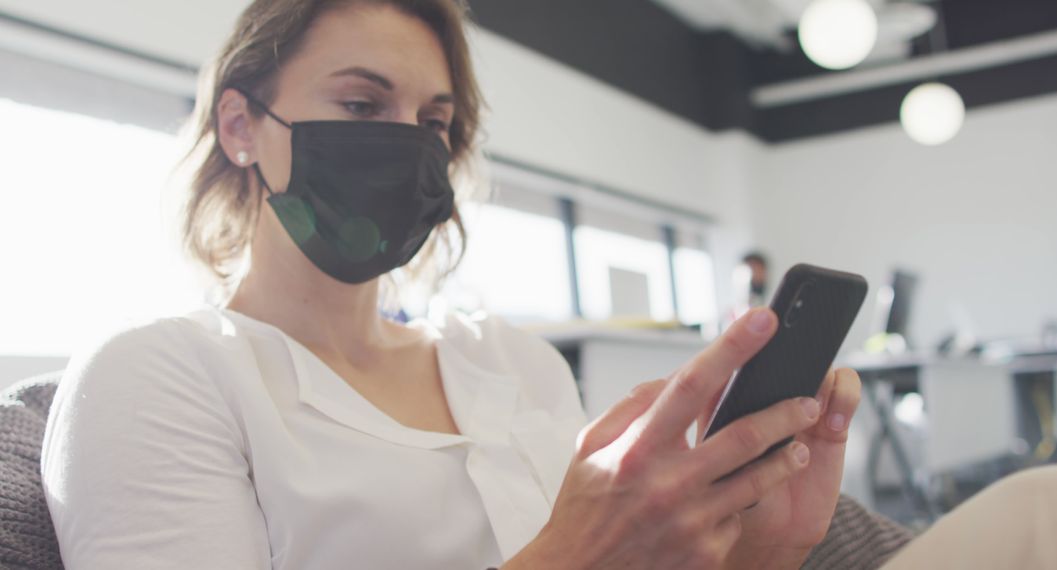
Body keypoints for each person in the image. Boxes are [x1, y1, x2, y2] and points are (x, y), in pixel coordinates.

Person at [39, 1, 892, 568]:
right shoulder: (155, 375)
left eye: (435, 122)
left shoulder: (512, 360)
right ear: (240, 127)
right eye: (364, 106)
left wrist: (755, 556)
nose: (410, 143)